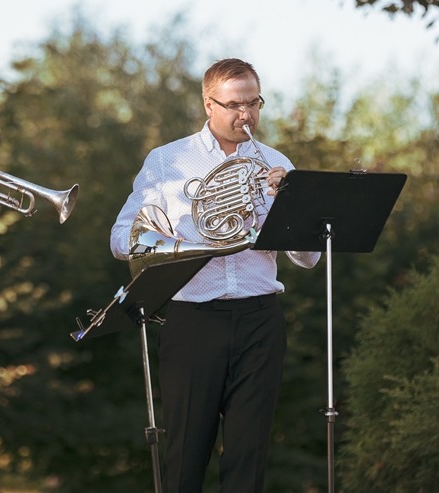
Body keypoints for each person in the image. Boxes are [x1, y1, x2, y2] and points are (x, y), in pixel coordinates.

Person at [110, 58, 320, 493]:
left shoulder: (277, 162)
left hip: (260, 319)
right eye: (234, 105)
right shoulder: (168, 161)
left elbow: (308, 259)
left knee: (248, 456)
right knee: (185, 455)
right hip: (193, 320)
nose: (246, 115)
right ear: (209, 104)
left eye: (253, 103)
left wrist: (288, 205)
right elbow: (120, 238)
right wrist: (181, 245)